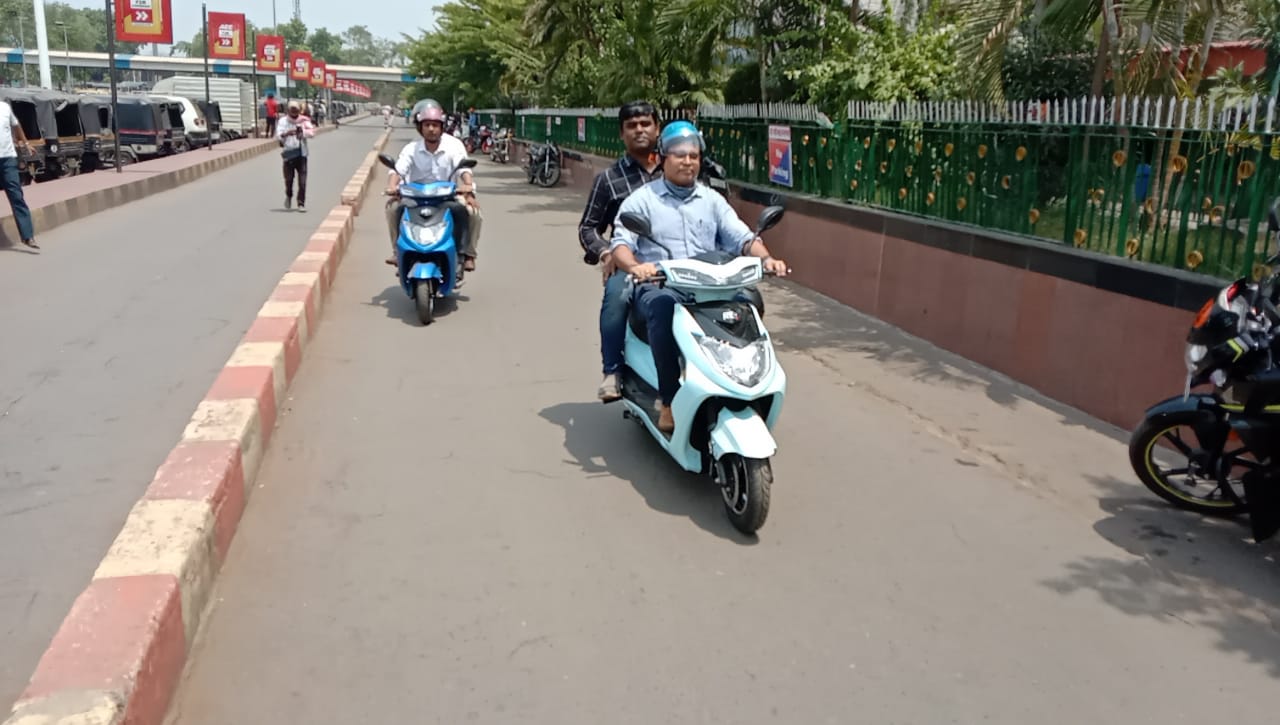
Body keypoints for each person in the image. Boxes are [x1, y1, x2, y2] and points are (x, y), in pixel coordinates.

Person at [610, 120, 788, 433]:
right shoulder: (643, 200)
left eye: (693, 155)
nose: (688, 161)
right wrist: (637, 266)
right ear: (662, 158)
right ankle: (668, 400)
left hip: (711, 285)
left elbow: (743, 238)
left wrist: (768, 259)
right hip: (663, 285)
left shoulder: (712, 200)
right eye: (679, 155)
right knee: (662, 308)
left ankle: (744, 382)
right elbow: (621, 245)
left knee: (748, 304)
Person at [577, 100, 661, 402]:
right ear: (622, 134)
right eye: (632, 126)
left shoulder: (677, 169)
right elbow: (588, 228)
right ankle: (612, 370)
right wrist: (605, 252)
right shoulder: (608, 180)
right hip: (630, 263)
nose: (640, 130)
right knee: (616, 296)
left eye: (645, 123)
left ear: (657, 128)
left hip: (678, 259)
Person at [384, 98, 481, 273]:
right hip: (415, 198)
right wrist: (392, 187)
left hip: (447, 197)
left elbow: (463, 167)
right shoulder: (411, 149)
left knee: (471, 212)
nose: (431, 129)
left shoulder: (453, 145)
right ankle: (398, 252)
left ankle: (467, 254)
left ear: (442, 127)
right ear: (420, 127)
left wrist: (468, 186)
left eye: (435, 125)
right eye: (427, 125)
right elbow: (398, 170)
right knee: (393, 209)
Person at [0, 98, 36, 249]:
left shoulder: (5, 107)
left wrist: (26, 143)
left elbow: (16, 126)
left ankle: (28, 236)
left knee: (16, 196)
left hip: (8, 159)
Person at [275, 101, 315, 211]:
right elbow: (278, 135)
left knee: (302, 181)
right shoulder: (283, 121)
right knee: (289, 180)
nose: (294, 112)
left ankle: (301, 203)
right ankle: (289, 195)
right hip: (289, 153)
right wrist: (287, 133)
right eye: (292, 110)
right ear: (288, 110)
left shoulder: (304, 120)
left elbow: (311, 133)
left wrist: (301, 132)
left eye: (296, 110)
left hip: (302, 154)